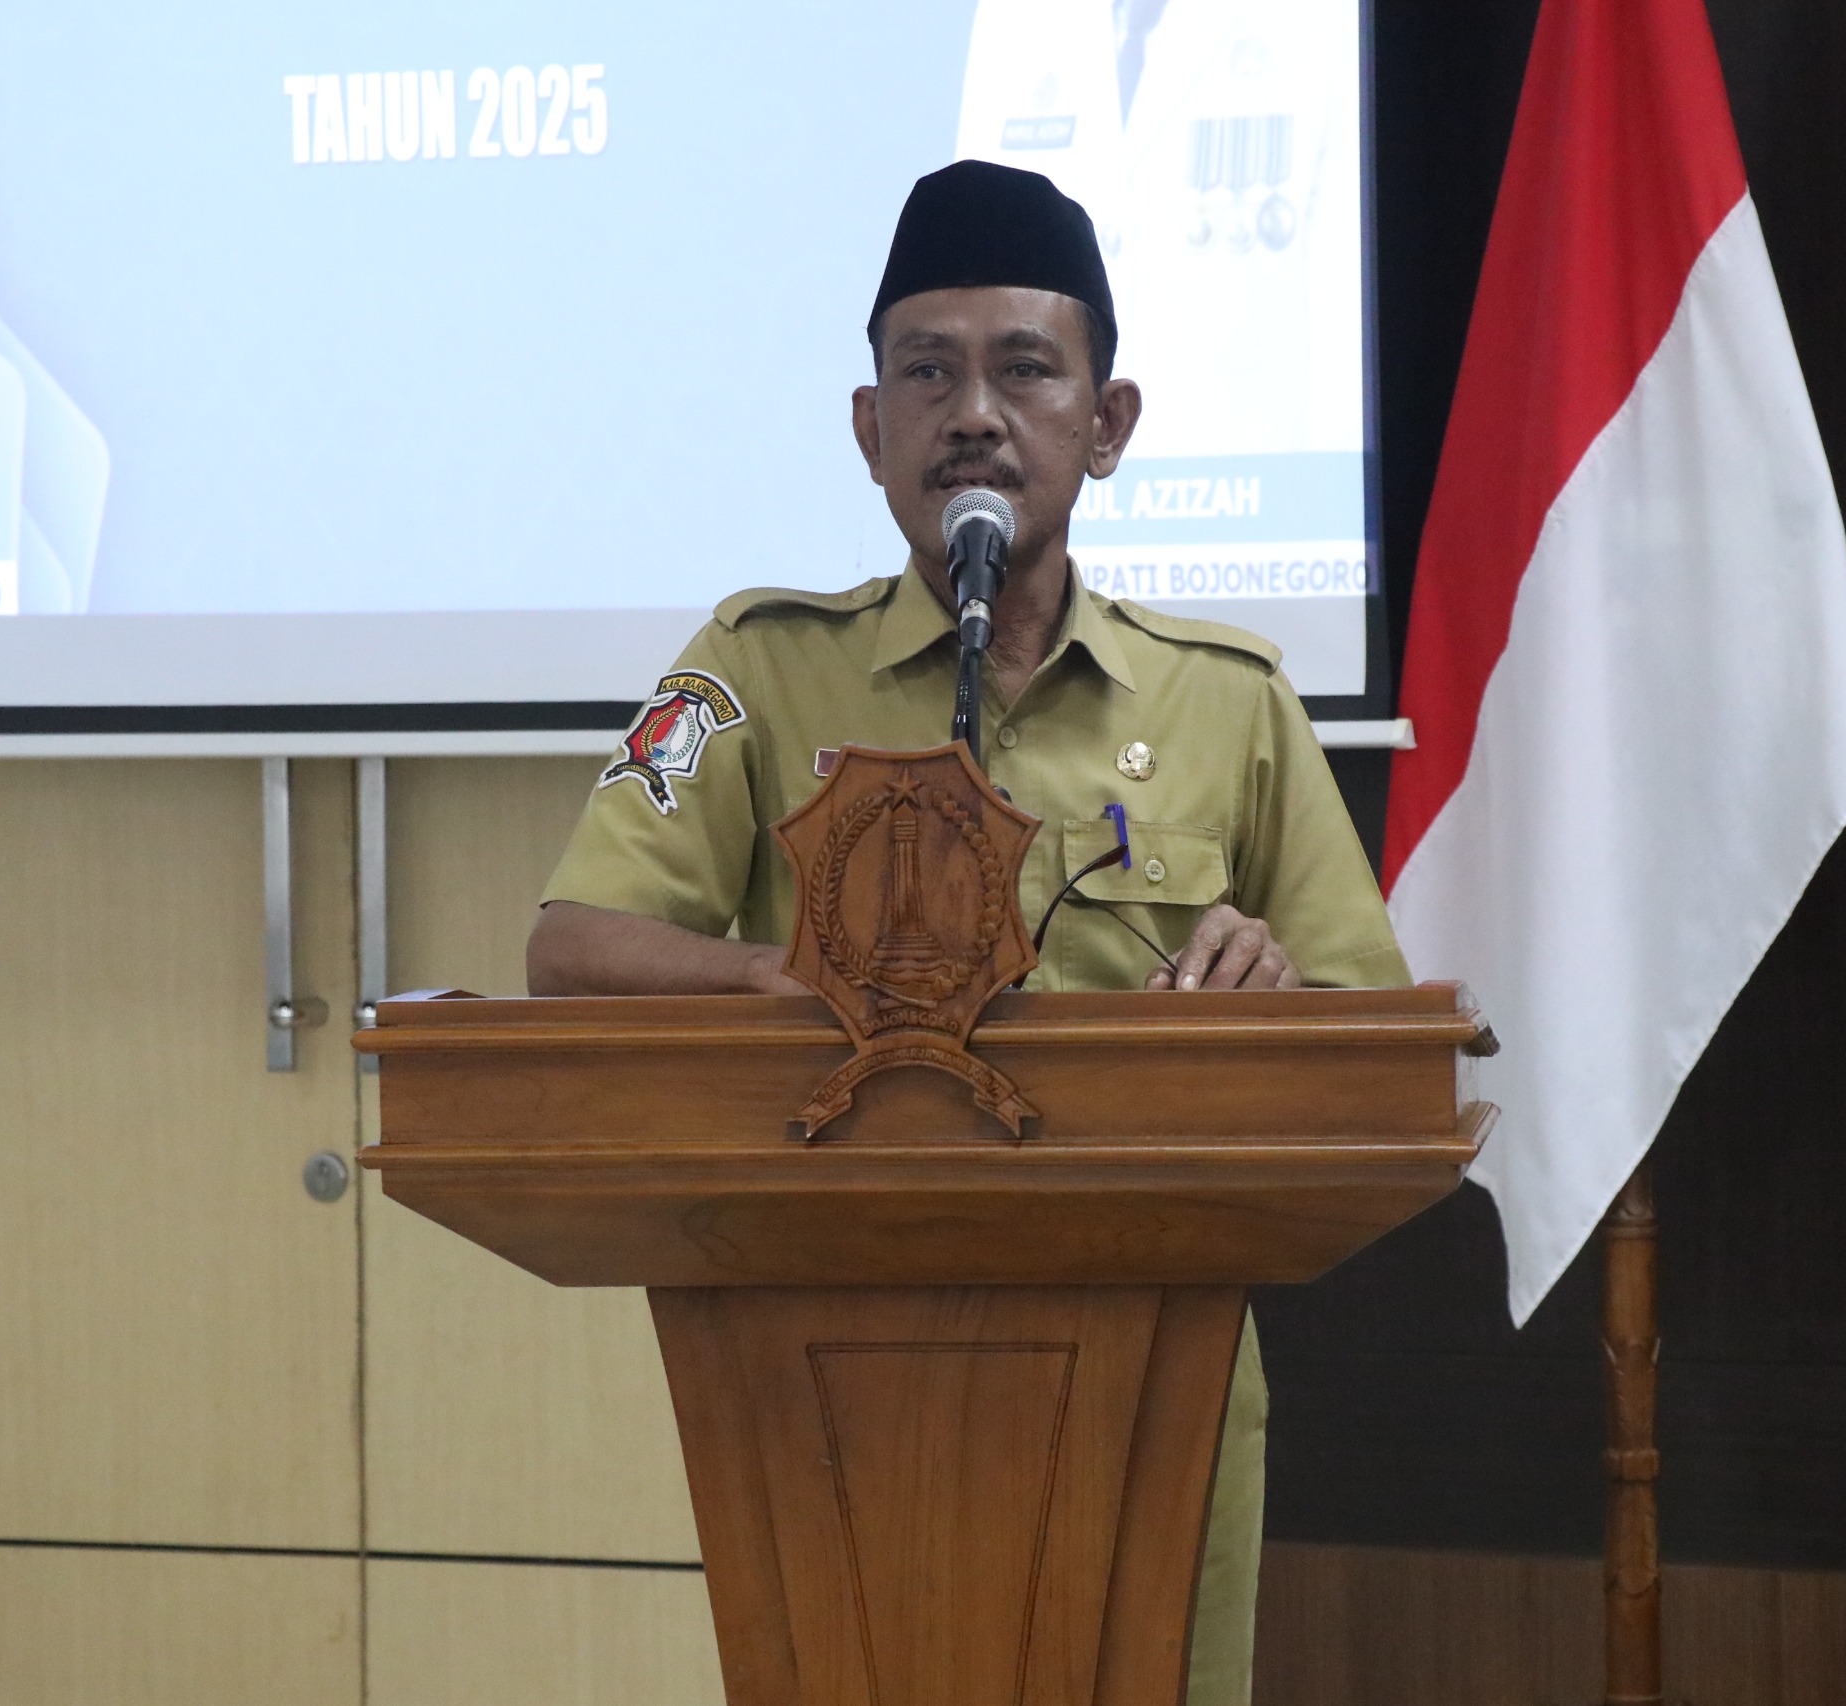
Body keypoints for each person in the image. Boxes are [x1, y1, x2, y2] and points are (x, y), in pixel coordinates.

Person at [528, 159, 1407, 1706]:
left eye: (1024, 369)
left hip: (1155, 1353)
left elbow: (1373, 1047)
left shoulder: (1228, 699)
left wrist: (1268, 990)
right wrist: (778, 976)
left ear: (1108, 422)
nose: (974, 413)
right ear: (871, 427)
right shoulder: (758, 667)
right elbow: (573, 948)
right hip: (829, 1351)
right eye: (926, 372)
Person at [952, 0, 1364, 461]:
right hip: (1053, 478)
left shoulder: (1322, 18)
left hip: (1251, 468)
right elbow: (973, 284)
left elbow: (1343, 307)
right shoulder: (1008, 18)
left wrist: (1324, 477)